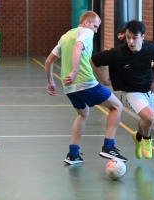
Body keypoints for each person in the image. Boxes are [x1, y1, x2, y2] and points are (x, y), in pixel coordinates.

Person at [44, 11, 127, 165]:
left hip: (68, 87)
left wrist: (50, 82)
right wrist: (74, 71)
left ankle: (73, 154)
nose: (95, 31)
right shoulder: (86, 32)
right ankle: (109, 147)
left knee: (83, 113)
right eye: (95, 26)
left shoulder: (65, 36)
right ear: (87, 23)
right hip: (85, 82)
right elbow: (77, 47)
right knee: (117, 106)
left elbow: (49, 61)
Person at [90, 20, 154, 159]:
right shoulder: (118, 53)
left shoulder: (151, 47)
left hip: (148, 87)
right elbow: (93, 60)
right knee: (150, 117)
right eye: (128, 37)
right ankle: (147, 140)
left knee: (146, 120)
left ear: (143, 37)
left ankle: (138, 136)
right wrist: (104, 79)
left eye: (134, 38)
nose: (131, 41)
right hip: (131, 90)